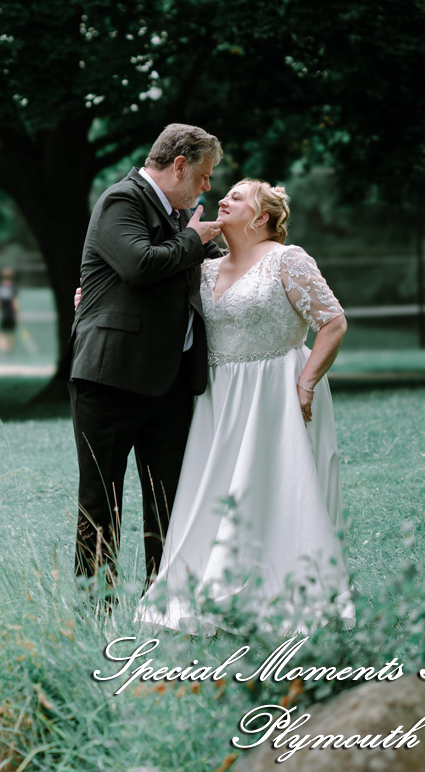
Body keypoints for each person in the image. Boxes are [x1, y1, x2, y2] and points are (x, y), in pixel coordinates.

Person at [134, 179, 352, 634]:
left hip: (275, 391)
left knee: (273, 486)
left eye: (237, 196)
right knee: (215, 491)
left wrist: (307, 383)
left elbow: (332, 323)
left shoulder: (287, 260)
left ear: (262, 216)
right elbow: (152, 299)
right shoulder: (204, 266)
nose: (223, 198)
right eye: (226, 193)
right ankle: (209, 586)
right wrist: (90, 297)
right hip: (218, 395)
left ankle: (283, 590)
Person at [69, 124, 226, 596]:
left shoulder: (182, 218)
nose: (207, 186)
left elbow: (217, 265)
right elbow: (139, 264)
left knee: (170, 501)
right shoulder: (122, 201)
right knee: (102, 501)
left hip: (171, 382)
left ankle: (164, 606)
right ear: (179, 165)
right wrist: (193, 239)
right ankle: (95, 611)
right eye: (203, 174)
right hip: (110, 378)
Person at [0, 268, 19, 354]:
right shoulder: (13, 286)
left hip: (3, 314)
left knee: (2, 333)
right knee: (10, 333)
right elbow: (14, 301)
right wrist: (17, 314)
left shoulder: (0, 286)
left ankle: (2, 350)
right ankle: (9, 350)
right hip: (11, 314)